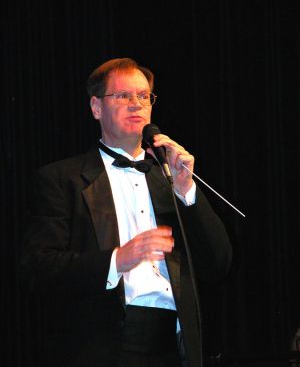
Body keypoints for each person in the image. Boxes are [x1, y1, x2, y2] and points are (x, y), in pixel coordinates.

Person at [20, 57, 232, 367]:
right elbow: (37, 269)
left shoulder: (170, 182)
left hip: (174, 346)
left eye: (144, 96)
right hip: (104, 345)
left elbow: (218, 263)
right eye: (123, 96)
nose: (136, 104)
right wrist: (117, 260)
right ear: (96, 107)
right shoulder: (61, 179)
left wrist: (187, 192)